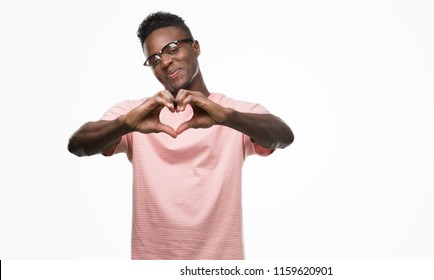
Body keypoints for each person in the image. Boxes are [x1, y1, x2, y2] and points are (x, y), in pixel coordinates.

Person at [67, 11, 294, 260]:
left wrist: (227, 117)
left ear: (195, 47)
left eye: (172, 48)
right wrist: (125, 123)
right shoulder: (139, 114)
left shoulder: (233, 111)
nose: (164, 62)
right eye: (153, 59)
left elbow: (283, 136)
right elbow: (79, 144)